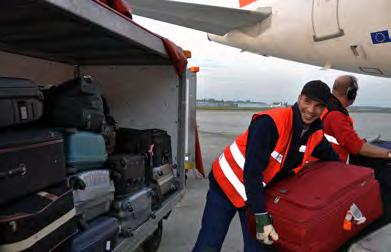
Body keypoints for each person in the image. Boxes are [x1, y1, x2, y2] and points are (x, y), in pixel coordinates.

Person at [193, 81, 339, 252]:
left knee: (258, 248)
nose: (311, 110)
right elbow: (252, 172)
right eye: (307, 101)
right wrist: (261, 215)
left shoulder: (315, 136)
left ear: (324, 109)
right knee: (209, 243)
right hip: (227, 184)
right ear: (299, 99)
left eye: (318, 106)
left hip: (255, 192)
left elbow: (335, 163)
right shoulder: (270, 123)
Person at [322, 75, 391, 163]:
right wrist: (388, 154)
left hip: (330, 159)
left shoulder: (326, 107)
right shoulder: (335, 115)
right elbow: (356, 146)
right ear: (351, 93)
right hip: (337, 164)